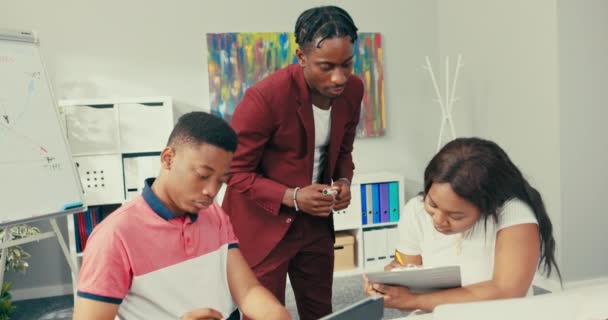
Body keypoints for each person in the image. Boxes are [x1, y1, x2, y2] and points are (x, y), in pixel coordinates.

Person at [73, 112, 290, 320]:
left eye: (221, 180)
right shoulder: (113, 236)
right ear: (168, 158)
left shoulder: (214, 214)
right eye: (203, 176)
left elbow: (248, 290)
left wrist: (275, 313)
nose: (211, 191)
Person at [221, 5, 363, 320]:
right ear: (301, 57)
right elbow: (233, 171)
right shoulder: (264, 98)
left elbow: (343, 151)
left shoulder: (354, 90)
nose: (339, 77)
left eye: (347, 64)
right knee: (265, 314)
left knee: (321, 312)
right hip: (262, 223)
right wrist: (293, 197)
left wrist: (343, 182)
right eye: (326, 66)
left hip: (315, 224)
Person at [364, 137, 562, 312]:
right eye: (432, 204)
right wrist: (390, 289)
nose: (438, 220)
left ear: (487, 206)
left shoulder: (514, 214)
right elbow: (407, 288)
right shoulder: (415, 211)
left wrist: (413, 300)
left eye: (456, 215)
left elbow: (507, 291)